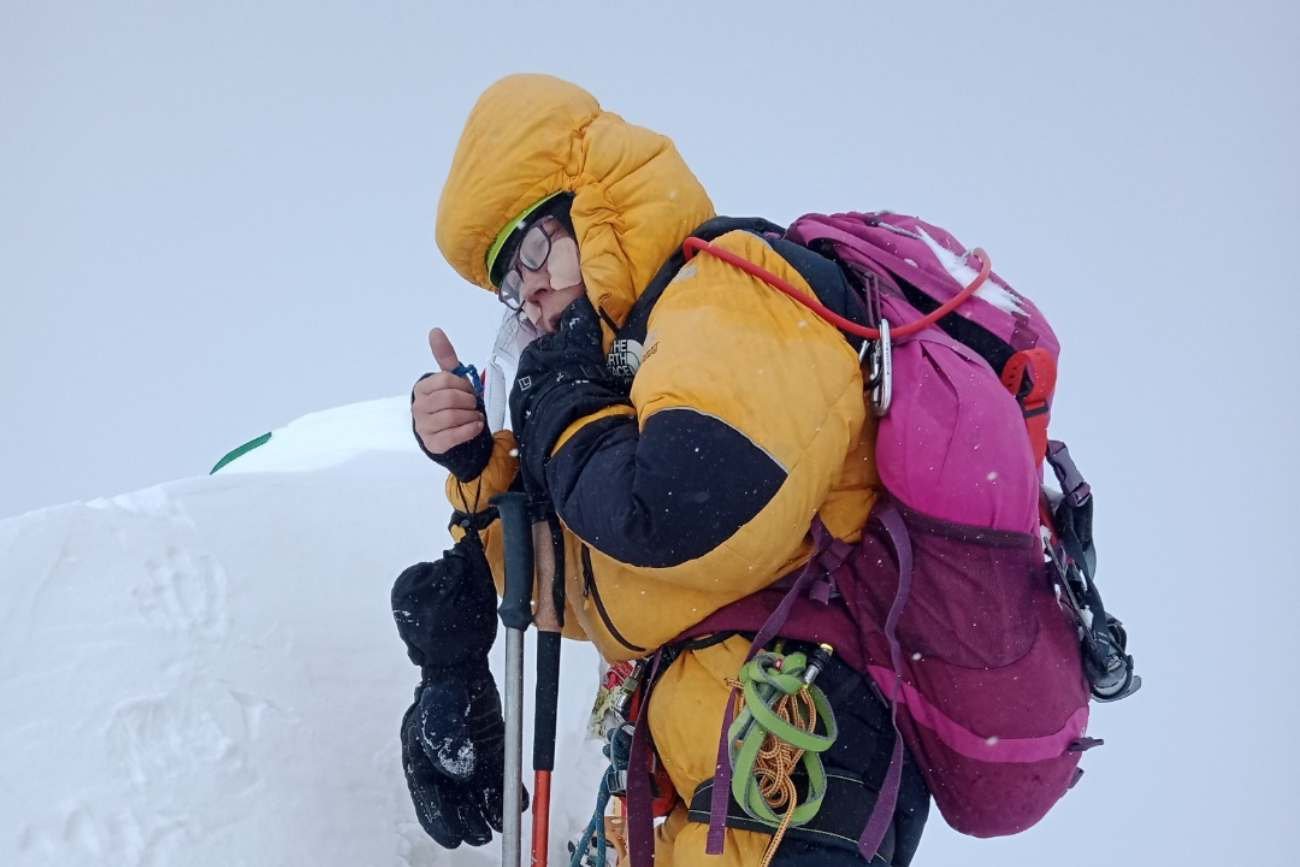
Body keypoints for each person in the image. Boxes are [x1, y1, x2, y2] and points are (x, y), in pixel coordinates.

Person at [410, 74, 929, 866]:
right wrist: (480, 473)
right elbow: (589, 590)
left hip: (798, 770)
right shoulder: (630, 381)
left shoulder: (731, 289)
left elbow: (673, 518)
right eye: (512, 286)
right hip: (722, 783)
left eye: (536, 251)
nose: (535, 296)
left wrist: (563, 405)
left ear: (595, 206)